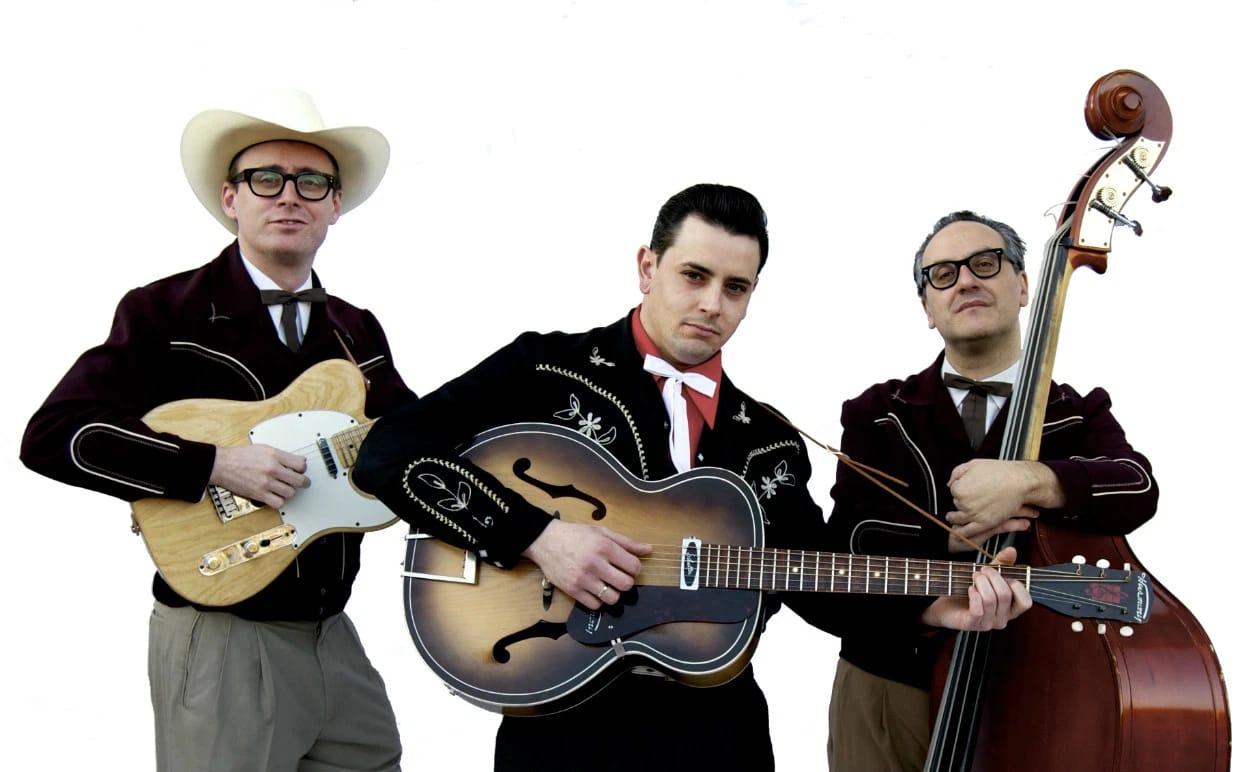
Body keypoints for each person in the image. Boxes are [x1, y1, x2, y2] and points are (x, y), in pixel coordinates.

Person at [351, 185, 1030, 771]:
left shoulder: (768, 439)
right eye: (694, 276)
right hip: (561, 724)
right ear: (647, 267)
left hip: (716, 727)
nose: (712, 303)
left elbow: (807, 576)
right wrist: (538, 537)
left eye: (735, 287)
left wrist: (927, 607)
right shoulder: (544, 369)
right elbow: (389, 451)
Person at [20, 90, 412, 772]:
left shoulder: (357, 329)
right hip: (222, 633)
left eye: (311, 181)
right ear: (231, 198)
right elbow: (57, 435)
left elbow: (411, 446)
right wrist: (211, 466)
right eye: (267, 178)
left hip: (333, 636)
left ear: (334, 205)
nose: (289, 195)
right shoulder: (161, 312)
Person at [823, 209, 1159, 771]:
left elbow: (1137, 487)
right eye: (943, 274)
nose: (966, 281)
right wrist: (948, 536)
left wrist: (1033, 481)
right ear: (927, 309)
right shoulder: (877, 413)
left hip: (1041, 679)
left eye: (985, 263)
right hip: (890, 677)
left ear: (1024, 285)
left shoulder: (1077, 411)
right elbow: (854, 534)